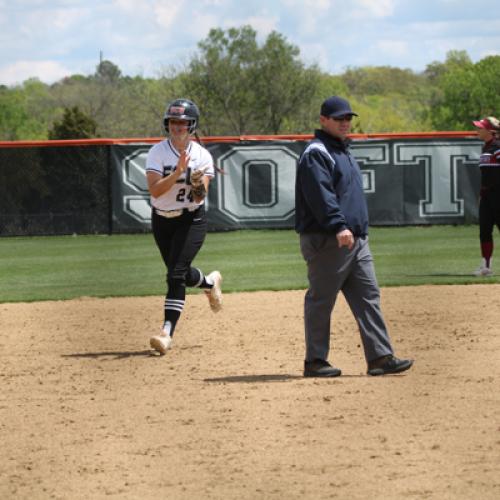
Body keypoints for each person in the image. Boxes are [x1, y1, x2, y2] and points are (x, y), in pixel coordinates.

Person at [295, 95, 413, 377]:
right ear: (323, 120)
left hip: (356, 240)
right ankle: (315, 361)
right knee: (322, 299)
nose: (345, 122)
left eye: (348, 118)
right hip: (329, 239)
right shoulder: (317, 152)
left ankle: (380, 357)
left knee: (368, 296)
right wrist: (338, 226)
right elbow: (321, 196)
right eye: (339, 118)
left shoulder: (342, 150)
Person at [146, 98, 223, 355]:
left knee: (175, 275)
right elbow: (156, 191)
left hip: (191, 218)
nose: (177, 127)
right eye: (173, 121)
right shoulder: (157, 152)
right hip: (161, 219)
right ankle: (210, 283)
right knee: (177, 271)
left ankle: (166, 333)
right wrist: (178, 171)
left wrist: (198, 183)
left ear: (192, 125)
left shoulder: (202, 156)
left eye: (183, 122)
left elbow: (200, 197)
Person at [472, 116, 500, 277]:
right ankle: (486, 266)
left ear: (489, 131)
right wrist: (482, 195)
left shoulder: (497, 147)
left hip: (498, 195)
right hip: (487, 196)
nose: (477, 130)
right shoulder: (486, 148)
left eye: (480, 127)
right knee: (484, 231)